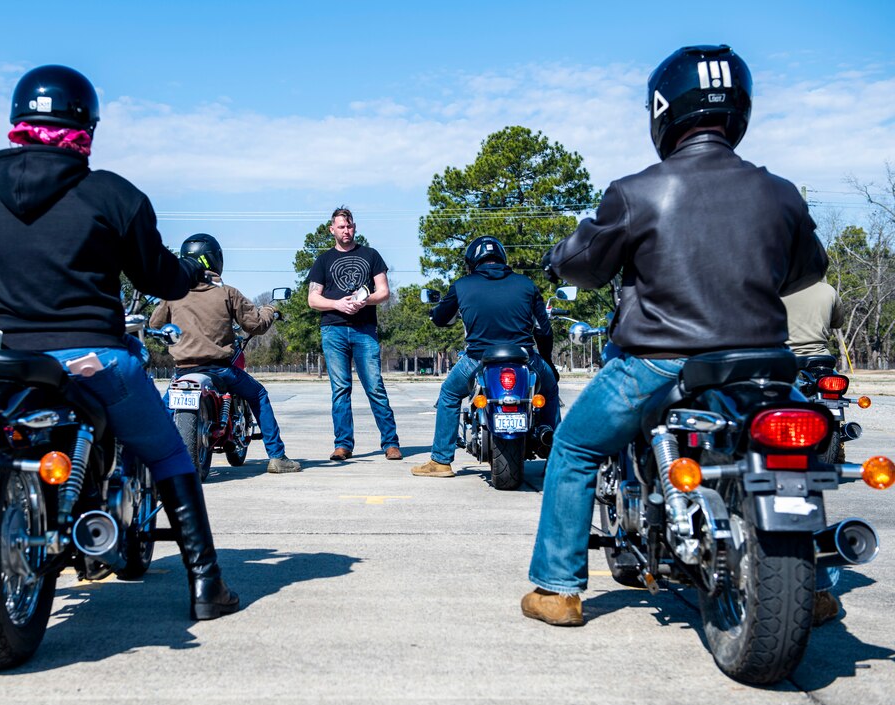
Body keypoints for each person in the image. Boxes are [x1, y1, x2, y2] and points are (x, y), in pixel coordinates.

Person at [0, 64, 239, 623]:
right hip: (94, 360)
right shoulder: (113, 195)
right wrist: (187, 269)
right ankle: (207, 584)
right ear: (87, 123)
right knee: (166, 452)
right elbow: (160, 278)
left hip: (4, 364)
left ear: (17, 120)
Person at [520, 45, 828, 627]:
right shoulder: (781, 191)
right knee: (798, 454)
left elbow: (587, 262)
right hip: (764, 362)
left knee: (575, 447)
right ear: (738, 107)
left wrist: (557, 259)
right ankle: (811, 586)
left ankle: (557, 589)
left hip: (659, 362)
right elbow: (809, 266)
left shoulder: (638, 192)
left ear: (664, 110)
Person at [149, 233, 302, 474]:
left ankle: (153, 460)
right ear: (215, 260)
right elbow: (255, 326)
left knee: (161, 413)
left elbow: (155, 326)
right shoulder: (227, 293)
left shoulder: (173, 294)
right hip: (219, 370)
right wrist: (270, 310)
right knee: (259, 394)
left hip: (183, 372)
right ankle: (277, 457)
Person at [411, 236, 560, 477]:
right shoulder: (526, 285)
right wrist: (548, 362)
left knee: (449, 393)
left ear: (472, 262)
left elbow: (440, 319)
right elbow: (544, 331)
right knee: (550, 389)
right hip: (524, 357)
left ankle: (441, 461)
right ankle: (557, 458)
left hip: (478, 359)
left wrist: (437, 311)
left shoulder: (462, 285)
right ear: (502, 258)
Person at [307, 207, 402, 461]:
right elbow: (313, 299)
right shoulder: (323, 261)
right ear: (332, 230)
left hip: (364, 330)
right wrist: (338, 304)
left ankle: (391, 443)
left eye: (348, 227)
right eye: (340, 227)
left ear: (355, 227)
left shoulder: (371, 255)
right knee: (340, 389)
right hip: (333, 330)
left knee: (375, 386)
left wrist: (364, 301)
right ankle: (343, 444)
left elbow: (384, 292)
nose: (345, 231)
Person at [782, 278, 846, 625]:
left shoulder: (775, 287)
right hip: (821, 359)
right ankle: (820, 587)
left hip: (786, 361)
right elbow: (837, 321)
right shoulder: (829, 290)